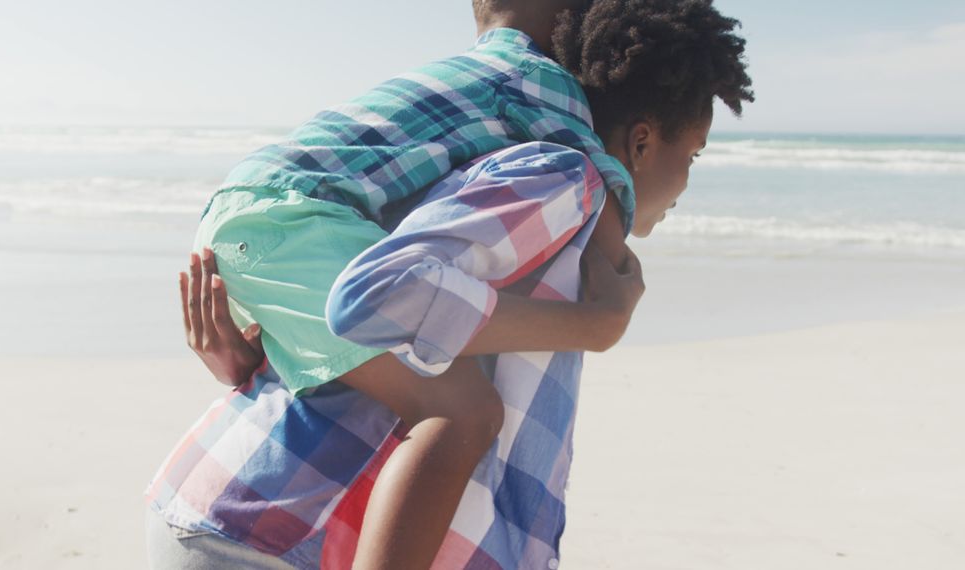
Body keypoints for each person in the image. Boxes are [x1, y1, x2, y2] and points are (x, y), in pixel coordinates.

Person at [146, 1, 752, 568]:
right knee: (463, 411)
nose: (690, 180)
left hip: (260, 229)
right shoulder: (553, 141)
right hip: (264, 525)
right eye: (695, 155)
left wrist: (255, 357)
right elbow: (377, 295)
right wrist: (600, 317)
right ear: (642, 138)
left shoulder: (481, 135)